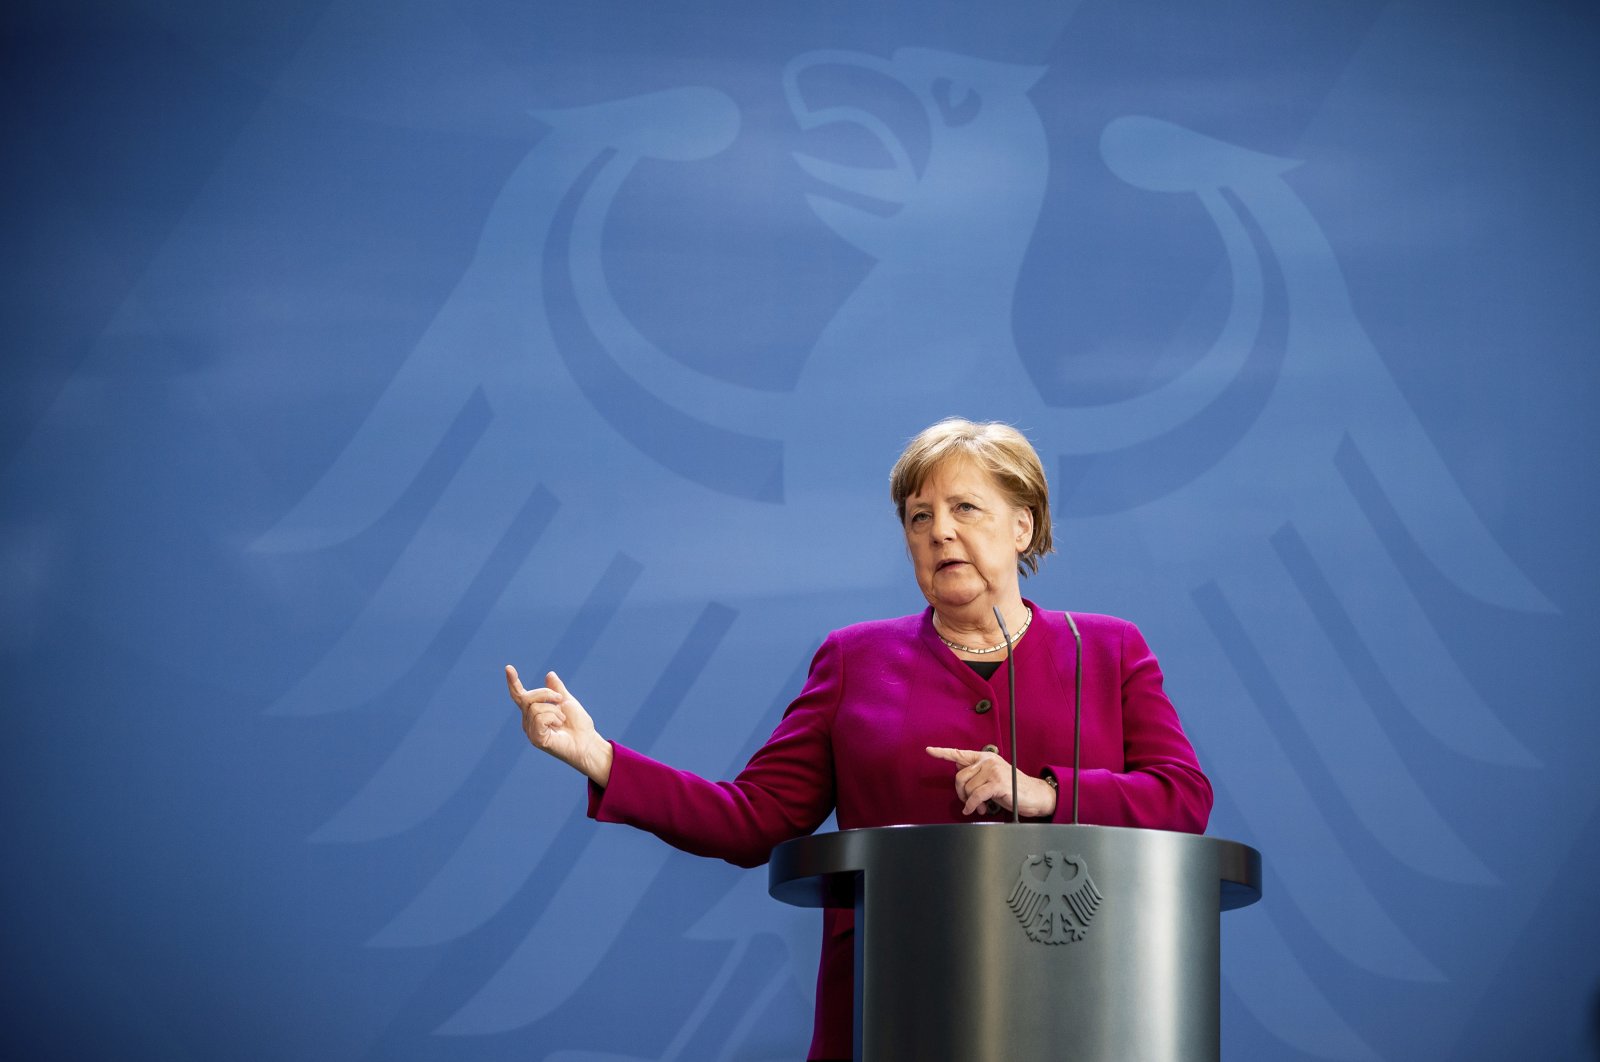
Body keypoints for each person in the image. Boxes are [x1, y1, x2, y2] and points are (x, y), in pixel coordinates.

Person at [506, 417, 1212, 1061]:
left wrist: (1043, 792)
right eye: (919, 517)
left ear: (1022, 527)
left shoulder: (1108, 650)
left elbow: (1183, 797)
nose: (939, 532)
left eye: (965, 508)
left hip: (1084, 1001)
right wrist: (601, 759)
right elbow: (754, 820)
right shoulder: (855, 661)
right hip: (890, 1007)